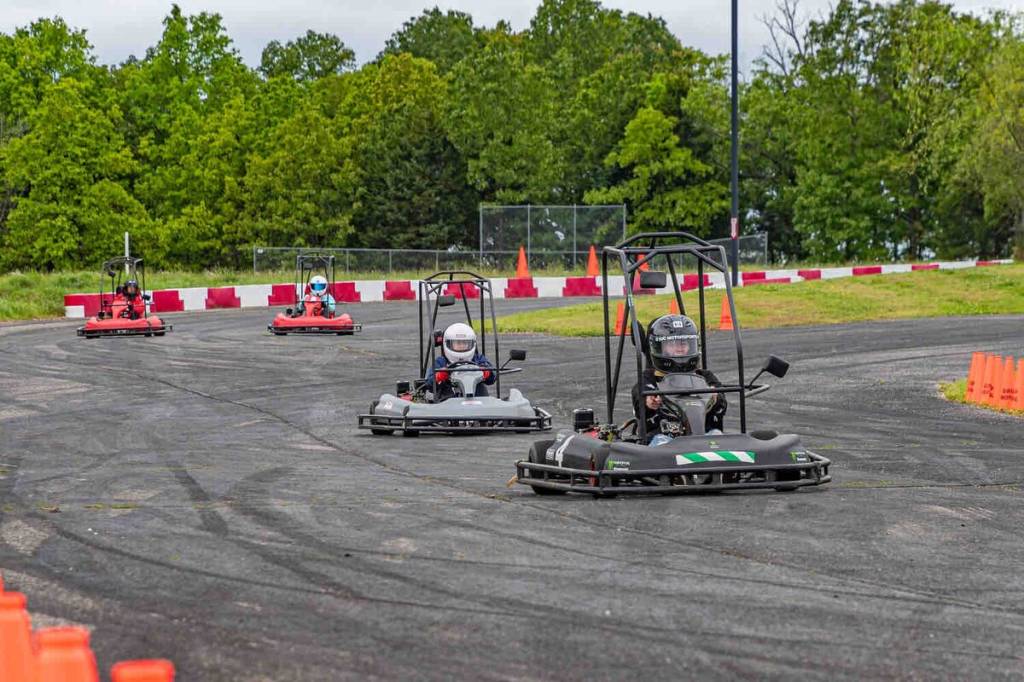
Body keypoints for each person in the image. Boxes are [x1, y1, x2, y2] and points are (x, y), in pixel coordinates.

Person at [631, 314, 727, 445]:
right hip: (662, 438)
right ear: (659, 348)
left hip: (705, 437)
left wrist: (715, 397)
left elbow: (722, 403)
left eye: (684, 343)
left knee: (718, 436)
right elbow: (639, 396)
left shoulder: (705, 376)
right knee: (661, 443)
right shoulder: (649, 378)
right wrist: (649, 401)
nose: (679, 348)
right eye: (672, 343)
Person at [426, 322, 496, 400]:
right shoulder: (441, 362)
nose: (462, 346)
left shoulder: (478, 359)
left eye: (465, 343)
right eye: (458, 343)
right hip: (447, 404)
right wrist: (439, 376)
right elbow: (429, 384)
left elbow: (492, 377)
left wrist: (486, 372)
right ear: (448, 344)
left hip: (478, 401)